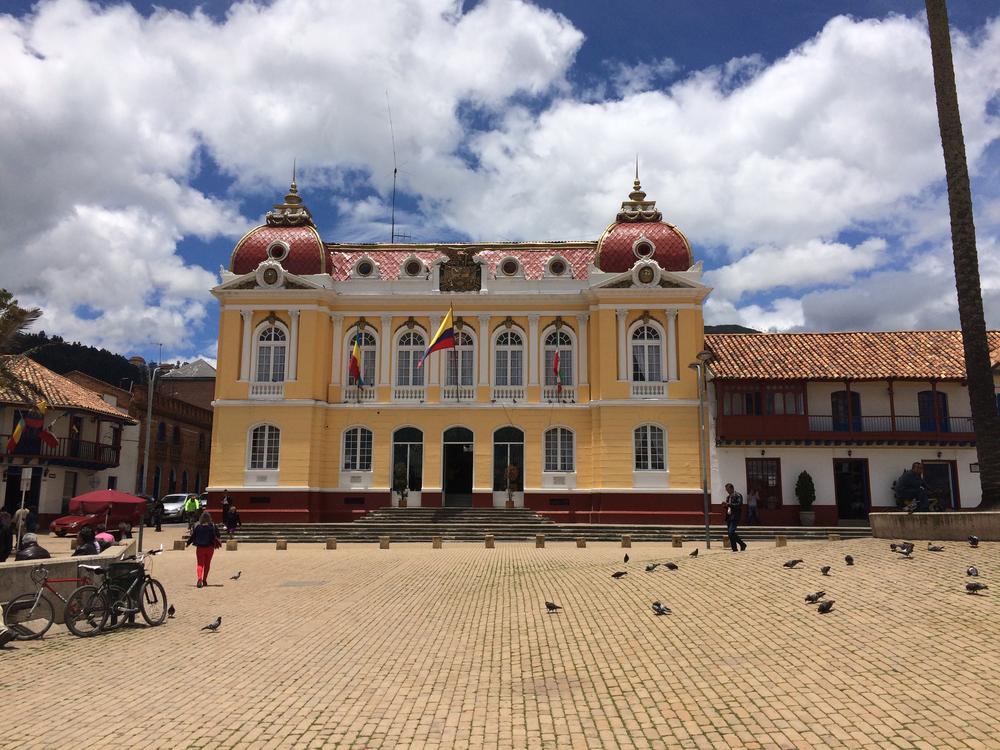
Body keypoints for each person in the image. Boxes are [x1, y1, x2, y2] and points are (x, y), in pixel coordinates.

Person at [186, 511, 220, 588]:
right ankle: (204, 580)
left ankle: (199, 578)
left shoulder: (198, 527)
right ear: (209, 518)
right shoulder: (213, 526)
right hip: (210, 548)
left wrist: (188, 543)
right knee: (207, 564)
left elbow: (193, 537)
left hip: (200, 548)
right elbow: (218, 535)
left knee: (200, 564)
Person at [724, 483, 747, 552]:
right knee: (730, 533)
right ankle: (734, 548)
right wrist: (725, 505)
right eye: (726, 490)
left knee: (731, 532)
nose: (727, 491)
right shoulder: (728, 497)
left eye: (728, 489)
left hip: (735, 516)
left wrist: (729, 504)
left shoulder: (738, 495)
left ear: (732, 488)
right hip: (729, 516)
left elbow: (739, 504)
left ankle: (742, 544)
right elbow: (729, 507)